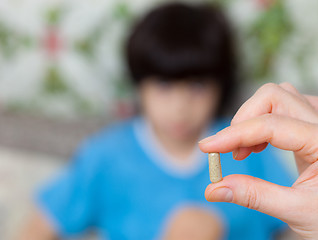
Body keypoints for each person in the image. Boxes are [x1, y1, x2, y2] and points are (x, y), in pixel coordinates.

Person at [17, 3, 293, 240]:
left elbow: (295, 223)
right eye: (163, 85)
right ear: (139, 85)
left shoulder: (249, 147)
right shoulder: (106, 155)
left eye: (197, 86)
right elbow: (39, 225)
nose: (180, 107)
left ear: (220, 86)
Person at [199, 82, 318, 239]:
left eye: (196, 85)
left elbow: (290, 228)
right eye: (171, 85)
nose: (180, 105)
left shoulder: (257, 149)